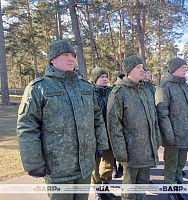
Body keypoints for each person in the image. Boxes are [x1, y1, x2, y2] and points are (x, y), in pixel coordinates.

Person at [17, 40, 109, 200]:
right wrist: (33, 162)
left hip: (85, 165)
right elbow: (27, 127)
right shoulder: (38, 88)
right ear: (53, 59)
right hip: (58, 168)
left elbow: (97, 118)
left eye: (73, 55)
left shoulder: (85, 87)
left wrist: (101, 143)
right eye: (65, 55)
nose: (71, 58)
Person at [107, 55, 161, 200]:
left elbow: (154, 119)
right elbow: (114, 125)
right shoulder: (119, 93)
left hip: (147, 148)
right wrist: (120, 152)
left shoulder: (146, 91)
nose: (142, 70)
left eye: (142, 67)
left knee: (142, 184)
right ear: (129, 71)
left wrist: (156, 141)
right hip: (131, 151)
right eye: (138, 67)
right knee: (130, 187)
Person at [155, 57, 188, 200]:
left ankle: (179, 190)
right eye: (182, 67)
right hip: (173, 135)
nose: (185, 69)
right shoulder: (165, 87)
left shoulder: (184, 85)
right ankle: (171, 192)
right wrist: (168, 134)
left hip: (185, 134)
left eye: (186, 67)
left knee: (181, 165)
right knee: (171, 166)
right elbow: (162, 113)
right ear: (174, 69)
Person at [90, 67, 117, 200]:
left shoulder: (111, 92)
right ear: (95, 79)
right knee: (95, 163)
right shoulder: (89, 93)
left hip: (110, 133)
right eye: (102, 77)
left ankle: (105, 188)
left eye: (106, 76)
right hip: (95, 134)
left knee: (108, 162)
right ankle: (97, 191)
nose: (105, 79)